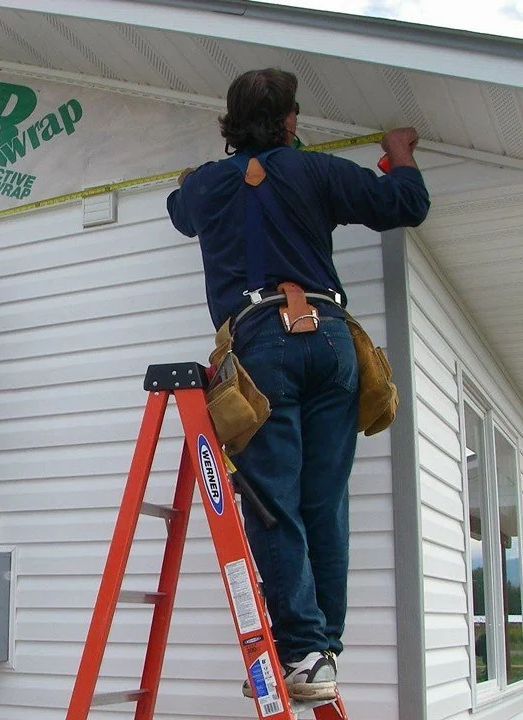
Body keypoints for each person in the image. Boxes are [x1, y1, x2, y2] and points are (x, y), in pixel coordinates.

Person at [166, 68, 429, 701]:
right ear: (291, 120)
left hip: (262, 344)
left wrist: (191, 182)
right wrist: (399, 157)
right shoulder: (318, 172)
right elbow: (406, 207)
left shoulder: (207, 184)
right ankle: (321, 651)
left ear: (229, 125)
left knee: (275, 504)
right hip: (330, 340)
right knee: (323, 503)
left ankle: (308, 649)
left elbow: (181, 212)